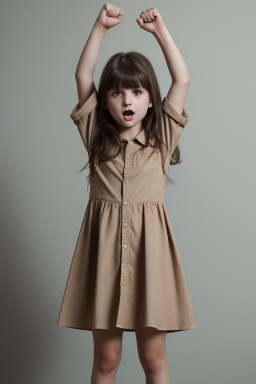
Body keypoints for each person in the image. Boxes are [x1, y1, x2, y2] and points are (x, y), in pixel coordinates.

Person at [57, 3, 196, 383]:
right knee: (107, 361)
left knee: (153, 360)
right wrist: (100, 28)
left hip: (151, 258)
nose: (128, 100)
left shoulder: (161, 139)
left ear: (151, 99)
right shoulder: (95, 137)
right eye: (117, 93)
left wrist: (160, 31)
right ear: (105, 100)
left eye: (137, 92)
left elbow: (181, 80)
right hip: (103, 256)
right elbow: (83, 74)